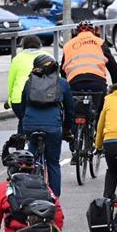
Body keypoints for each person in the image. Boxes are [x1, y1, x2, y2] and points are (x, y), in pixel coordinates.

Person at [18, 53, 73, 196]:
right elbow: (70, 110)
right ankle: (54, 197)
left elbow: (23, 107)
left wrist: (23, 128)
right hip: (53, 127)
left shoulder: (29, 82)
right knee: (53, 163)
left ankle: (28, 191)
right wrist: (68, 129)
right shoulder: (62, 83)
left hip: (30, 125)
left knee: (31, 158)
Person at [61, 20, 117, 124]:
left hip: (75, 82)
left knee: (73, 110)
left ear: (76, 32)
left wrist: (66, 86)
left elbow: (62, 70)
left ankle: (73, 132)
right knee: (100, 111)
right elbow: (113, 66)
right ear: (93, 31)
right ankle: (98, 132)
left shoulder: (68, 45)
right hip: (97, 82)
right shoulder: (99, 42)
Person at [5, 36, 44, 123]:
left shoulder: (17, 59)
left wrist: (9, 99)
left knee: (23, 122)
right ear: (39, 45)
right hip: (44, 98)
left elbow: (11, 81)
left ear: (23, 46)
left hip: (18, 99)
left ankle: (22, 135)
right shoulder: (47, 56)